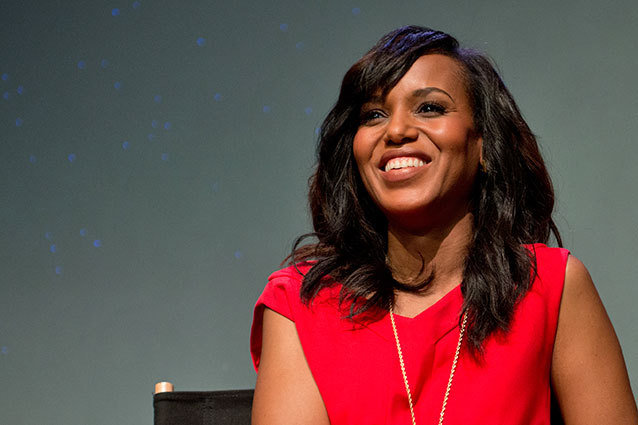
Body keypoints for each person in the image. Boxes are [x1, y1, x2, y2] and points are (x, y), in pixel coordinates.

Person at [249, 26, 638, 424]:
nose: (396, 130)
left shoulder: (553, 286)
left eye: (430, 108)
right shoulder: (299, 303)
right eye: (374, 115)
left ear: (484, 144)